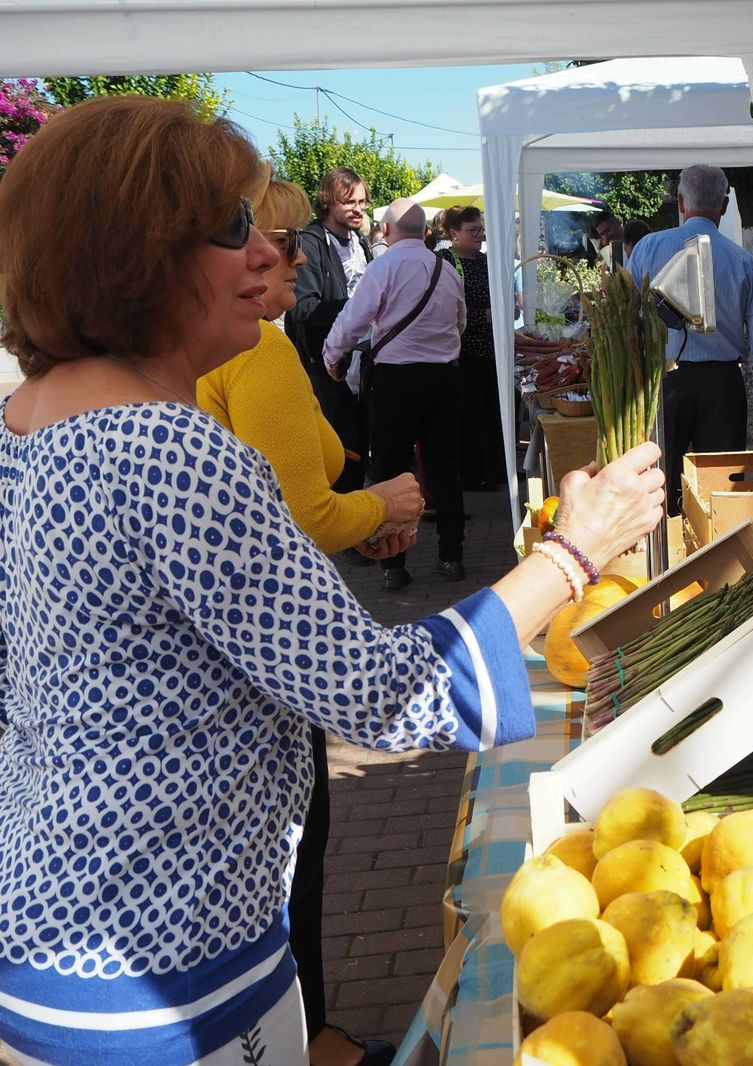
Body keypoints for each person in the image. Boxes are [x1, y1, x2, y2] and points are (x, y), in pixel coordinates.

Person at [0, 96, 665, 1066]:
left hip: (48, 952)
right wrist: (572, 554)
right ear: (134, 255)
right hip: (165, 985)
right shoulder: (170, 452)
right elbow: (385, 694)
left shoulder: (22, 427)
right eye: (233, 230)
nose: (272, 255)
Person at [195, 176, 425, 1066]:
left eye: (271, 240)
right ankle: (311, 1033)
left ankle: (301, 1029)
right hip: (264, 680)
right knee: (300, 849)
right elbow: (300, 518)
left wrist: (356, 514)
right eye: (256, 239)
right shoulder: (250, 358)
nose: (270, 259)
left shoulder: (246, 359)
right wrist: (567, 564)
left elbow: (300, 500)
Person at [325, 198, 469, 591]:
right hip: (444, 377)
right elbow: (461, 323)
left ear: (386, 232)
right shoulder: (446, 269)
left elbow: (352, 320)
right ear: (425, 231)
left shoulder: (383, 266)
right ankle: (451, 557)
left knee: (390, 469)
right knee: (443, 468)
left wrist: (330, 357)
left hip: (396, 380)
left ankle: (394, 566)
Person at [627, 164, 753, 514]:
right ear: (725, 205)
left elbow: (629, 324)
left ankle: (664, 559)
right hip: (722, 386)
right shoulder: (741, 260)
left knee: (659, 487)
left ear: (680, 201)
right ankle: (719, 560)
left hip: (661, 383)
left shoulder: (646, 249)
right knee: (722, 491)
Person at [285, 167, 371, 496]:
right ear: (329, 202)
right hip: (325, 366)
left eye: (362, 202)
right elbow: (302, 307)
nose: (358, 209)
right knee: (340, 451)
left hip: (360, 364)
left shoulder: (359, 240)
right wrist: (357, 308)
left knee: (360, 445)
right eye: (349, 202)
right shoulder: (312, 241)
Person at [437, 205, 502, 489]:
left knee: (494, 413)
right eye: (472, 230)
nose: (479, 235)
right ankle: (473, 474)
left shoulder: (488, 261)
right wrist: (484, 315)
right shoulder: (445, 261)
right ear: (454, 234)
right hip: (461, 354)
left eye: (481, 230)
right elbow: (442, 309)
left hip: (491, 351)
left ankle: (498, 470)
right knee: (468, 415)